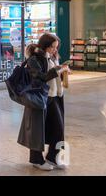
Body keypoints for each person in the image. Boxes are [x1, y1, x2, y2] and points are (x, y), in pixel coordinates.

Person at [17, 33, 70, 171]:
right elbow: (40, 77)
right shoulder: (34, 59)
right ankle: (36, 160)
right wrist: (58, 70)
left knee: (59, 129)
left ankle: (53, 158)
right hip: (41, 98)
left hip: (55, 97)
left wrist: (63, 71)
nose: (54, 50)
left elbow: (54, 75)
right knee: (37, 130)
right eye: (52, 47)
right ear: (45, 45)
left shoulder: (52, 56)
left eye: (56, 47)